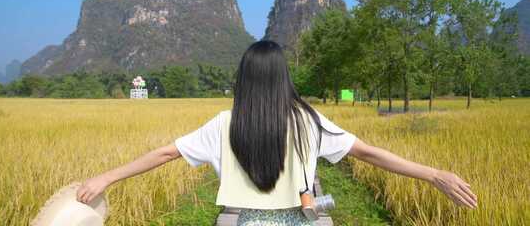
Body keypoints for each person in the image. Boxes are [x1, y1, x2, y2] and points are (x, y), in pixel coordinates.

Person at [77, 40, 477, 225]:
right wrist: (434, 174)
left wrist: (105, 177)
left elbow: (165, 154)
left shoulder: (224, 123)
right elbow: (369, 153)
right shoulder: (310, 120)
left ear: (244, 80)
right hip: (302, 221)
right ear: (284, 78)